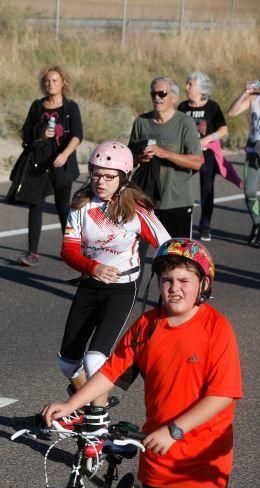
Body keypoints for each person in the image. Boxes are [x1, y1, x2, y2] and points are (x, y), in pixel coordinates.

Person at [43, 239, 242, 488]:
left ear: (203, 286)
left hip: (204, 455)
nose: (175, 288)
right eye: (167, 280)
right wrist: (72, 403)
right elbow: (109, 373)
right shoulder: (147, 326)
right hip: (159, 450)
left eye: (184, 280)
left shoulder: (217, 329)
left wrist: (176, 429)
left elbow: (222, 395)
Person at [55, 141, 169, 437]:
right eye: (96, 174)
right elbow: (67, 251)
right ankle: (87, 408)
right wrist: (93, 268)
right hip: (91, 283)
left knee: (95, 358)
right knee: (67, 362)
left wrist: (172, 280)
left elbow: (168, 246)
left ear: (123, 178)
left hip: (121, 289)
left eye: (109, 176)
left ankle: (98, 422)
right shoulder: (82, 205)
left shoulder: (136, 210)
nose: (100, 182)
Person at [16, 66, 83, 267]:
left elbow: (77, 135)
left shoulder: (70, 108)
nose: (51, 84)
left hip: (62, 163)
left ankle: (71, 252)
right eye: (47, 81)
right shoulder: (37, 106)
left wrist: (64, 154)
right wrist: (40, 134)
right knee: (34, 205)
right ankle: (33, 252)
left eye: (55, 80)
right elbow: (25, 132)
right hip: (39, 163)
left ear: (63, 83)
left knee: (63, 208)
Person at [129, 77, 203, 238]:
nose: (157, 97)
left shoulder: (185, 123)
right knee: (135, 255)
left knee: (177, 257)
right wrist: (140, 157)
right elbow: (128, 160)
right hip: (145, 200)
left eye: (162, 93)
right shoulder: (141, 122)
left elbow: (197, 163)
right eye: (153, 94)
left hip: (177, 202)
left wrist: (164, 153)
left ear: (174, 98)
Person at [178, 72, 230, 241]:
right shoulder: (183, 107)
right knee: (179, 185)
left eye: (190, 84)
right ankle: (181, 219)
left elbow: (223, 130)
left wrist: (207, 139)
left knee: (207, 189)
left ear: (201, 88)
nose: (187, 87)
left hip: (207, 155)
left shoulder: (212, 107)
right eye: (187, 84)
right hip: (187, 154)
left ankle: (205, 226)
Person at [226, 78, 260, 246]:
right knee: (249, 191)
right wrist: (245, 93)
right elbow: (232, 112)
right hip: (254, 151)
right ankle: (258, 222)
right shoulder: (254, 98)